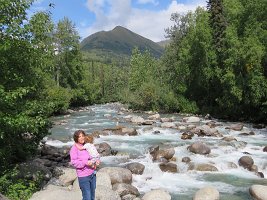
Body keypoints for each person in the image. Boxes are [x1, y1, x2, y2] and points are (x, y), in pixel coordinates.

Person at [70, 130, 100, 200]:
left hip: (92, 174)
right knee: (87, 197)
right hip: (83, 177)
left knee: (92, 197)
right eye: (79, 136)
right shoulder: (74, 148)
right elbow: (74, 162)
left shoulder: (87, 145)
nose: (81, 138)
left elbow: (94, 154)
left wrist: (97, 161)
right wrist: (85, 163)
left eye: (83, 136)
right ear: (76, 138)